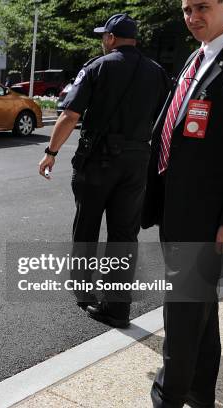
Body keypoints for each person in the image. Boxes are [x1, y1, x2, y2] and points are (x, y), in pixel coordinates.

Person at [142, 1, 223, 406]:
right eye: (187, 9)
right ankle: (199, 390)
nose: (192, 17)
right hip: (177, 206)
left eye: (202, 7)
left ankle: (168, 395)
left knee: (184, 308)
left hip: (208, 216)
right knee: (199, 308)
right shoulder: (199, 54)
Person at [38, 14, 169, 327]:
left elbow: (70, 115)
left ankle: (84, 290)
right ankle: (117, 307)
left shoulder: (97, 67)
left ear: (111, 38)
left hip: (98, 161)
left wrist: (50, 152)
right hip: (138, 161)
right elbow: (167, 120)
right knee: (125, 235)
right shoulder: (158, 73)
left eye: (104, 36)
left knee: (87, 224)